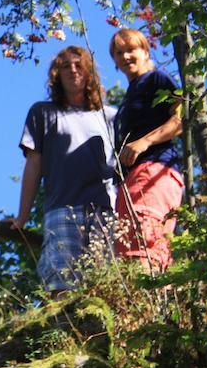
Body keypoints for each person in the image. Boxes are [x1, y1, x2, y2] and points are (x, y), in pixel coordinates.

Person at [9, 45, 117, 295]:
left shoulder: (110, 116)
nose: (73, 70)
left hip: (105, 210)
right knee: (61, 283)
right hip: (62, 208)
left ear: (90, 71)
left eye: (79, 64)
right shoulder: (43, 112)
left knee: (104, 287)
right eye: (66, 66)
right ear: (57, 75)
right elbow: (33, 165)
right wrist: (22, 216)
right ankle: (62, 333)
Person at [109, 28, 184, 273]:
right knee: (127, 243)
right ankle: (143, 306)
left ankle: (148, 297)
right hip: (131, 179)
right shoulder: (129, 95)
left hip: (154, 170)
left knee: (144, 241)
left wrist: (145, 142)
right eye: (119, 53)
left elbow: (180, 119)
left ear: (144, 51)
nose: (125, 57)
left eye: (131, 50)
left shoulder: (156, 80)